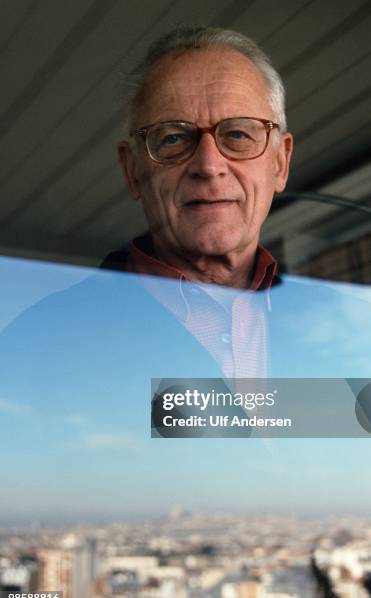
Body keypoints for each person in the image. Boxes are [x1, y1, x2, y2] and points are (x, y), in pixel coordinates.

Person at [102, 26, 293, 379]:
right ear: (133, 171)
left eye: (238, 134)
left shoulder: (346, 329)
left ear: (280, 163)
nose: (208, 166)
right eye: (173, 138)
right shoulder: (41, 340)